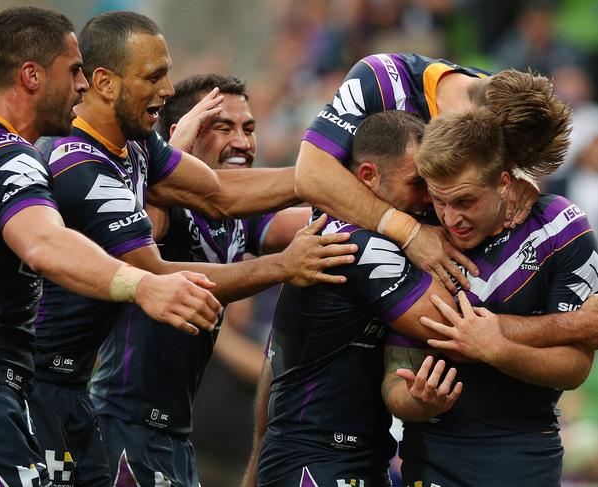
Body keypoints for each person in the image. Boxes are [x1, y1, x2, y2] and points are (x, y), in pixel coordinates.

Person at [30, 13, 354, 487]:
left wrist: (340, 179)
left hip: (144, 423)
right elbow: (151, 270)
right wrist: (282, 266)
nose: (164, 88)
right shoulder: (80, 163)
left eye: (250, 127)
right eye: (154, 76)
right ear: (105, 82)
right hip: (78, 407)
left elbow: (221, 192)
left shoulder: (139, 152)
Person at [0, 7, 221, 487]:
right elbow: (43, 242)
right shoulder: (8, 157)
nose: (82, 86)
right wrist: (141, 284)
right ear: (32, 76)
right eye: (74, 70)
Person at [89, 72, 315, 487]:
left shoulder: (239, 217)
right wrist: (172, 157)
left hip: (177, 435)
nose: (243, 143)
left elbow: (319, 221)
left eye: (249, 129)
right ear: (185, 133)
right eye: (222, 127)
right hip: (123, 426)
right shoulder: (153, 206)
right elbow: (142, 232)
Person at [383, 107, 596, 486]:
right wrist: (416, 402)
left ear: (503, 183)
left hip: (523, 451)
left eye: (464, 202)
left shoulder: (561, 227)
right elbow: (394, 380)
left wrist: (497, 348)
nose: (450, 218)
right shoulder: (420, 236)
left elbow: (575, 368)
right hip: (430, 450)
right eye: (438, 200)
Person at [251, 111, 465, 487]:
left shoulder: (334, 230)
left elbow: (275, 361)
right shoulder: (355, 244)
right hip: (318, 462)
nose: (429, 200)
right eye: (417, 183)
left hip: (338, 457)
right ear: (368, 176)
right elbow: (456, 325)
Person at [294, 52, 570, 291]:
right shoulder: (383, 81)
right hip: (341, 287)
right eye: (506, 161)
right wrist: (408, 232)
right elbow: (310, 176)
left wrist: (524, 179)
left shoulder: (502, 108)